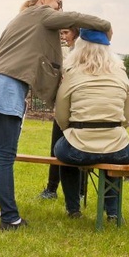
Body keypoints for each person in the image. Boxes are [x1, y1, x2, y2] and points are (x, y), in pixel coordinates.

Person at [0, 0, 111, 230]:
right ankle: (10, 218)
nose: (60, 8)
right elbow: (75, 18)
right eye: (59, 2)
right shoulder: (41, 13)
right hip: (5, 86)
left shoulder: (20, 19)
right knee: (4, 157)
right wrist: (104, 24)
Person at [54, 29, 129, 220]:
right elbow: (127, 115)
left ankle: (73, 209)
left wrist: (71, 131)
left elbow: (61, 115)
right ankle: (113, 212)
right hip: (118, 148)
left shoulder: (72, 72)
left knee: (62, 154)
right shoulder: (120, 73)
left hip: (78, 147)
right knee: (113, 159)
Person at [40, 27, 80, 200]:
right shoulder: (62, 50)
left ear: (76, 33)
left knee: (78, 146)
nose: (63, 37)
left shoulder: (81, 51)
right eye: (61, 33)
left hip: (77, 105)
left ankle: (79, 191)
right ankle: (52, 187)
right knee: (55, 146)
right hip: (62, 102)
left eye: (66, 33)